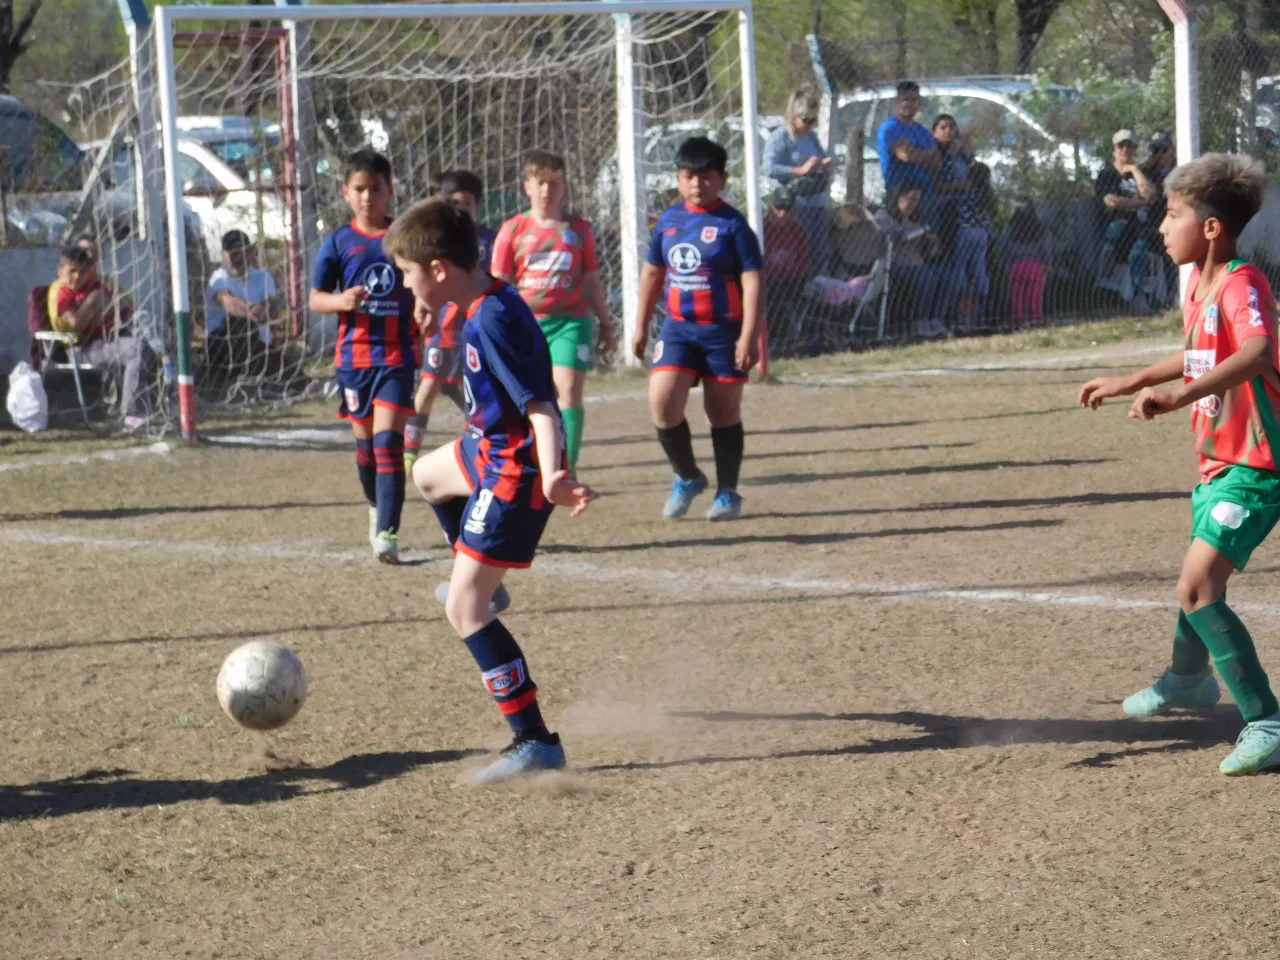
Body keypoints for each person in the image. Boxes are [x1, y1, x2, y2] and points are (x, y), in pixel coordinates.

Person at [1078, 153, 1280, 776]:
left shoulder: (1244, 281)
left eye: (1172, 215)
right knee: (1195, 577)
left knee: (1197, 587)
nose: (1162, 227)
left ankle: (1265, 720)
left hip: (1259, 467)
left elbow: (1259, 350)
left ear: (1212, 227)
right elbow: (1196, 351)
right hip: (1222, 465)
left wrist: (1180, 395)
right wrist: (1133, 378)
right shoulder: (1200, 284)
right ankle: (1189, 679)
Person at [384, 197, 595, 782]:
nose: (405, 286)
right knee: (426, 474)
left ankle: (534, 741)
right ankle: (482, 586)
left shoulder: (493, 319)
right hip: (486, 451)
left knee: (463, 610)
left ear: (438, 269)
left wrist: (554, 475)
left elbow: (542, 404)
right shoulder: (483, 299)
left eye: (407, 274)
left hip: (515, 472)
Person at [631, 136, 764, 522]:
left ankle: (727, 492)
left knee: (721, 413)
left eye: (706, 177)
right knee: (661, 403)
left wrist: (748, 337)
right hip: (678, 329)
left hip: (723, 333)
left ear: (722, 178)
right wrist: (640, 325)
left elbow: (753, 283)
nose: (696, 184)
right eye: (689, 176)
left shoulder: (734, 226)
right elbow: (653, 272)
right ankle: (687, 476)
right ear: (678, 179)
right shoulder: (669, 222)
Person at [309, 147, 418, 564]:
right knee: (367, 451)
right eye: (359, 189)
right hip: (354, 360)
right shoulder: (339, 242)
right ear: (346, 193)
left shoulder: (404, 238)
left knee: (389, 444)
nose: (367, 197)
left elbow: (423, 280)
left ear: (389, 191)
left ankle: (387, 534)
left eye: (375, 188)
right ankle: (376, 505)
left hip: (396, 355)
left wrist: (424, 306)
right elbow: (315, 299)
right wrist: (341, 301)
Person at [491, 150, 616, 475]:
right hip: (526, 326)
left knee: (568, 391)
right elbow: (499, 283)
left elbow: (590, 278)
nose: (547, 190)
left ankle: (565, 468)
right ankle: (525, 464)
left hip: (571, 323)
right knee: (525, 397)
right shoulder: (512, 230)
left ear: (565, 187)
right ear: (527, 186)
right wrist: (498, 327)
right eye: (541, 183)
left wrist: (605, 322)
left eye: (555, 183)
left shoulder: (579, 230)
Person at [405, 169, 495, 472]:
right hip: (443, 329)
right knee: (429, 386)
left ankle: (477, 445)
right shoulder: (438, 241)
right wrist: (422, 304)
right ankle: (408, 453)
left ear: (478, 204)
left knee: (474, 389)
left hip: (476, 328)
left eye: (467, 203)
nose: (462, 209)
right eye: (454, 202)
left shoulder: (488, 240)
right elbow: (424, 278)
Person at [47, 244, 154, 431]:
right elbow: (75, 324)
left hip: (104, 341)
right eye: (71, 272)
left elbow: (124, 311)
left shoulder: (98, 285)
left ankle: (162, 403)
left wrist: (110, 304)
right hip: (80, 348)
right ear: (60, 271)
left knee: (144, 347)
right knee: (136, 350)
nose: (77, 277)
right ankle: (131, 412)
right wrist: (94, 302)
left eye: (81, 272)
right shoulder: (62, 293)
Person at [764, 86, 834, 273]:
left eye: (814, 120)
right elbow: (769, 168)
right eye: (806, 119)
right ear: (794, 115)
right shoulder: (781, 137)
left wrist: (822, 165)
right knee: (803, 255)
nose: (810, 124)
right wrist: (800, 170)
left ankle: (820, 291)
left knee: (820, 252)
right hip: (796, 206)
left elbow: (819, 158)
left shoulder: (811, 137)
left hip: (817, 202)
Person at [875, 182, 958, 338]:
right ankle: (919, 322)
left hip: (916, 263)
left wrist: (931, 242)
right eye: (910, 198)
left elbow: (927, 254)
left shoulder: (914, 220)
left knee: (952, 276)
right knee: (926, 277)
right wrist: (911, 233)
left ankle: (936, 319)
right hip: (894, 264)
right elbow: (888, 240)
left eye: (917, 200)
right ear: (898, 197)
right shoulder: (883, 216)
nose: (913, 203)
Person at [205, 229, 286, 381]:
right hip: (224, 349)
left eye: (242, 252)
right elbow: (226, 300)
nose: (239, 258)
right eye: (233, 254)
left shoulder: (264, 277)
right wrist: (250, 310)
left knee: (282, 368)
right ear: (224, 255)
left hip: (259, 346)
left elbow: (270, 302)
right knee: (238, 324)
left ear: (250, 252)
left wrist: (265, 310)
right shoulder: (218, 279)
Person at [1095, 129, 1156, 313]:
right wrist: (1140, 203)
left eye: (1130, 145)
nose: (1125, 149)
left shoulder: (1139, 173)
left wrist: (1134, 169)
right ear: (1114, 149)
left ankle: (1138, 297)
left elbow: (1151, 195)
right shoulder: (1107, 174)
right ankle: (1109, 267)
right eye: (1121, 145)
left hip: (1140, 227)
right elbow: (1112, 201)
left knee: (1140, 248)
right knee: (1121, 228)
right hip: (1118, 225)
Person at [876, 81, 941, 206]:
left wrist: (916, 153)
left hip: (926, 195)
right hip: (901, 197)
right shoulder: (890, 127)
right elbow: (906, 155)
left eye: (914, 100)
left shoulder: (922, 131)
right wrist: (927, 154)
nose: (909, 104)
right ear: (896, 102)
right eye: (905, 99)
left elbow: (937, 162)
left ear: (919, 103)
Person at [950, 162, 997, 330]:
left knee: (960, 265)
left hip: (966, 230)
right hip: (981, 232)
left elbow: (957, 209)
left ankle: (960, 294)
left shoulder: (967, 194)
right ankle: (984, 297)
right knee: (979, 267)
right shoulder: (987, 196)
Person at [999, 198, 1053, 327]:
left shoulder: (1010, 229)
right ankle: (1035, 319)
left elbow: (1000, 247)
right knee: (1035, 296)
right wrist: (1048, 264)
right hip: (1035, 266)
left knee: (1017, 297)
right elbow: (1045, 250)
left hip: (1016, 266)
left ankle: (1019, 320)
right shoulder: (1040, 229)